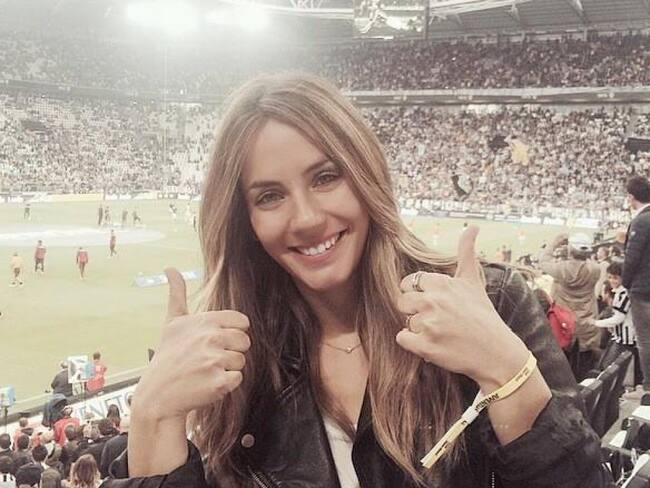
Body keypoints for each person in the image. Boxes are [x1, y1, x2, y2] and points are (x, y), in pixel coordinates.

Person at [104, 74, 608, 488]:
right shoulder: (236, 362)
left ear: (366, 175)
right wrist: (152, 414)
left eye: (326, 177)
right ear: (245, 220)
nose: (306, 218)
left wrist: (506, 372)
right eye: (269, 196)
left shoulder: (489, 304)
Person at [539, 232, 601, 380]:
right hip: (586, 322)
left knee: (562, 368)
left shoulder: (561, 269)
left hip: (563, 323)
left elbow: (543, 261)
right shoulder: (595, 269)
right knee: (584, 369)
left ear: (570, 249)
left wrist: (555, 242)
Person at [622, 175, 650, 395]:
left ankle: (648, 387)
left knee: (645, 339)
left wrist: (625, 283)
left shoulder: (641, 221)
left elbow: (632, 257)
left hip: (643, 289)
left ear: (631, 197)